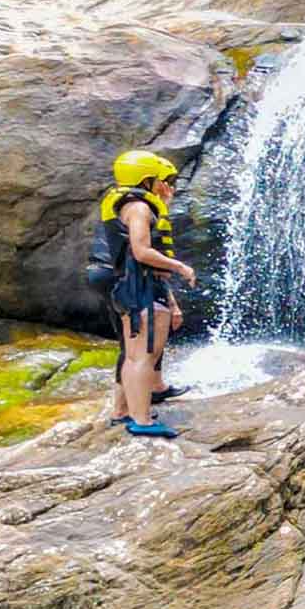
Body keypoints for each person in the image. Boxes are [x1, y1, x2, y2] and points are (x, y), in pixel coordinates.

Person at [88, 150, 199, 438]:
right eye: (166, 180)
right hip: (138, 287)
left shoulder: (127, 203)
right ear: (147, 179)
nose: (169, 186)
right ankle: (142, 421)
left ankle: (129, 413)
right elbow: (141, 251)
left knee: (134, 354)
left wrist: (171, 301)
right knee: (141, 355)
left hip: (133, 285)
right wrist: (180, 267)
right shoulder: (138, 208)